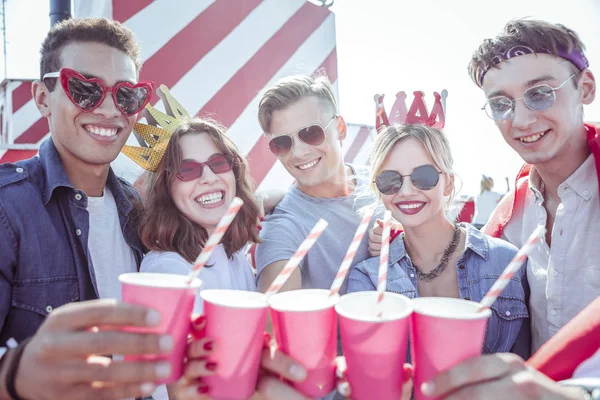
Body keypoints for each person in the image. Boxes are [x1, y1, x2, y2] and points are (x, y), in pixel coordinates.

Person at [417, 18, 600, 400]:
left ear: (585, 87)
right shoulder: (507, 220)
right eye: (501, 104)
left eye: (540, 94)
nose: (520, 120)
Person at [349, 124, 530, 356]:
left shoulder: (507, 262)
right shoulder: (368, 280)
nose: (405, 191)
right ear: (378, 190)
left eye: (423, 176)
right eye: (389, 180)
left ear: (449, 183)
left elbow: (527, 363)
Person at [255, 74, 378, 294]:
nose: (299, 152)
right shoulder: (284, 225)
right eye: (282, 143)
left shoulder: (384, 184)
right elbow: (275, 321)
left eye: (311, 133)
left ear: (340, 127)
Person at [132, 112, 261, 312]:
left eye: (218, 163)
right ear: (165, 189)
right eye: (187, 170)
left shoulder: (233, 255)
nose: (209, 177)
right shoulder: (167, 271)